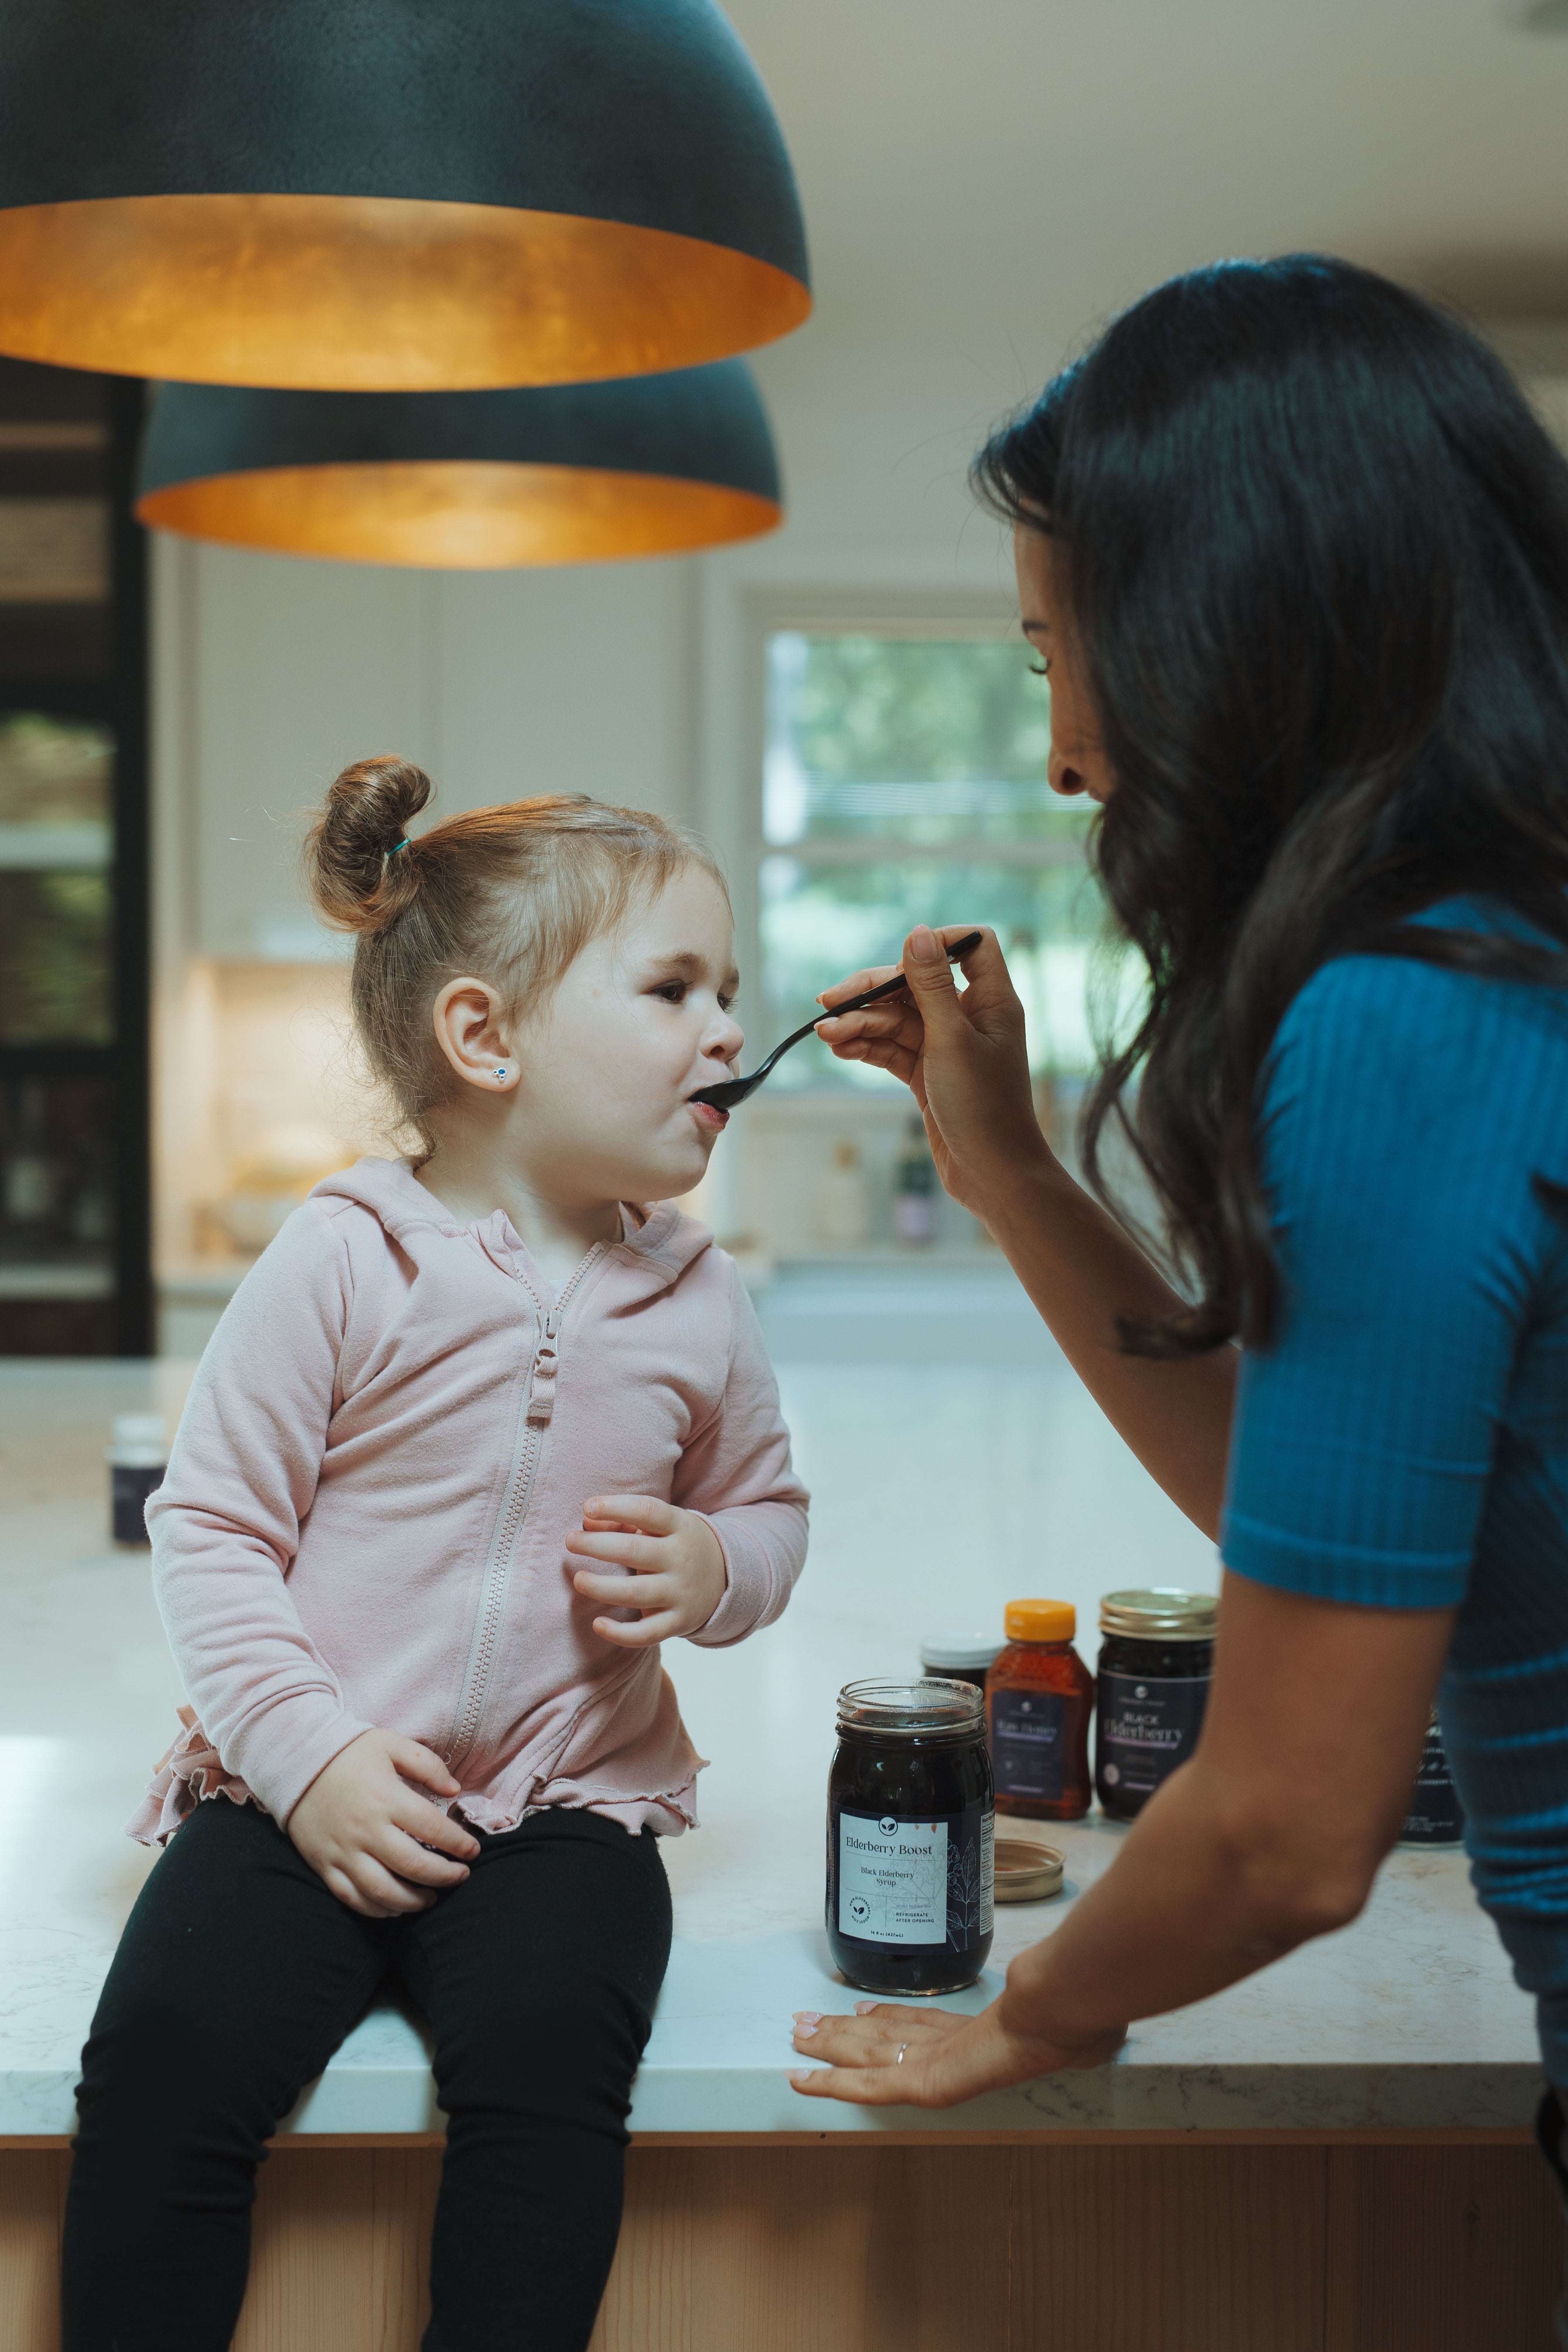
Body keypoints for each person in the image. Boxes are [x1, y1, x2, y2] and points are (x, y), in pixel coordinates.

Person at [788, 258, 1568, 2215]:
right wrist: (1008, 1169)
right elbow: (1318, 1508)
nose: (1064, 752)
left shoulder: (1404, 1018)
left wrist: (1037, 2012)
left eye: (1058, 654)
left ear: (1235, 639)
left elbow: (1288, 1828)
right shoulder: (1517, 955)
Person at [61, 762, 808, 2352]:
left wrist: (716, 1565)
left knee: (552, 2073)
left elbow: (768, 1511)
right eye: (673, 987)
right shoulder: (342, 1257)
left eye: (729, 991)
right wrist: (307, 1753)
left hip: (563, 1802)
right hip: (299, 1784)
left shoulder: (700, 1295)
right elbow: (211, 1525)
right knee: (167, 2050)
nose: (728, 1028)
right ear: (485, 1036)